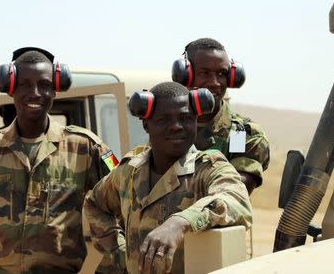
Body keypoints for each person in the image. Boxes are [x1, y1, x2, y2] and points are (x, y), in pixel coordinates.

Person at [0, 48, 117, 273]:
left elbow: (123, 203)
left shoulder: (85, 148)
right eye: (24, 84)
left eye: (44, 85)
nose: (35, 93)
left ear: (56, 89)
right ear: (10, 88)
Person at [84, 81, 252, 274]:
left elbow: (236, 200)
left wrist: (179, 223)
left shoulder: (209, 169)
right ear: (146, 125)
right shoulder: (129, 171)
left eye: (186, 118)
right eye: (164, 120)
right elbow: (94, 204)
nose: (176, 126)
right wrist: (120, 251)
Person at [175, 38, 270, 194]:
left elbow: (236, 189)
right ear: (185, 74)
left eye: (221, 74)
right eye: (204, 73)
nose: (215, 83)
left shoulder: (241, 133)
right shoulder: (169, 127)